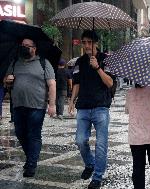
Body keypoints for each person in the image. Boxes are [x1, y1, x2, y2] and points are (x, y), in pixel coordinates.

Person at [4, 38, 56, 177]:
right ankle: (31, 157)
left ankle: (31, 164)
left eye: (28, 46)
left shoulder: (44, 63)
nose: (25, 48)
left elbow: (52, 84)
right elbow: (6, 82)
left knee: (33, 135)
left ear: (35, 48)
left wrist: (52, 105)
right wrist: (7, 81)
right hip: (18, 105)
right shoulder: (15, 62)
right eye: (23, 45)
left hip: (37, 106)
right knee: (20, 133)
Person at [68, 30, 113, 189]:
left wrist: (97, 67)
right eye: (84, 42)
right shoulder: (79, 62)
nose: (87, 45)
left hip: (101, 107)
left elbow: (110, 83)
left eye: (90, 42)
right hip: (84, 108)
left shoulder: (106, 60)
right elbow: (77, 83)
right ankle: (89, 163)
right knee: (80, 141)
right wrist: (72, 100)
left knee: (101, 144)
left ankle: (97, 177)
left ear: (96, 43)